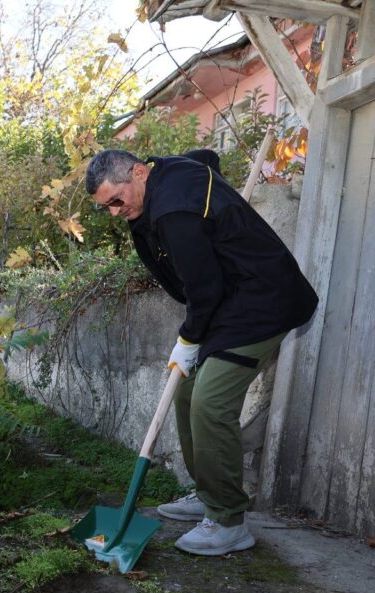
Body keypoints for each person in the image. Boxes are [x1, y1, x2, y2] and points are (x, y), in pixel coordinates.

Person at [85, 148, 318, 557]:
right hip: (230, 303)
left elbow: (203, 289)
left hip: (264, 302)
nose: (114, 213)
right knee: (187, 393)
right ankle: (208, 492)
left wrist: (188, 339)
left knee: (210, 402)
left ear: (139, 173)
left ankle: (229, 520)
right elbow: (205, 156)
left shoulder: (174, 209)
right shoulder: (162, 178)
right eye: (106, 207)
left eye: (116, 201)